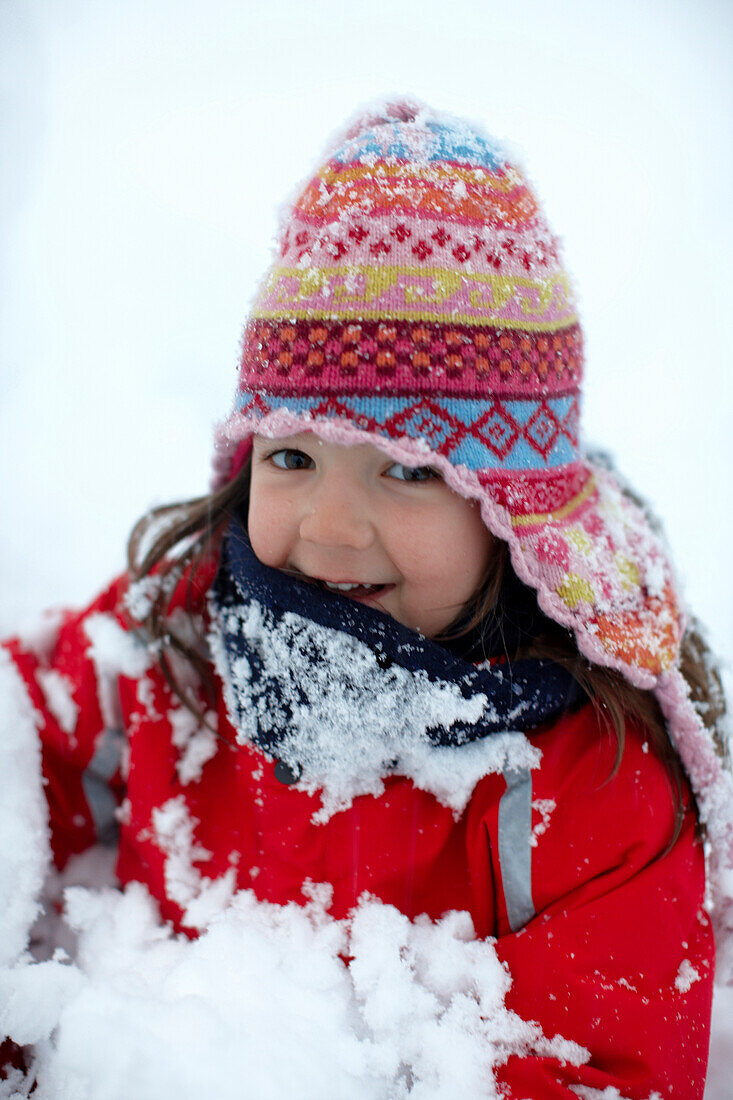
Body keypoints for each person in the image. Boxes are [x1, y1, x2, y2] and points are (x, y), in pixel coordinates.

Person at [1, 99, 730, 1096]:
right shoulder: (182, 631)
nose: (330, 525)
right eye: (292, 455)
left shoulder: (591, 781)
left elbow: (607, 1072)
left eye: (406, 468)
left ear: (508, 510)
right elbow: (17, 731)